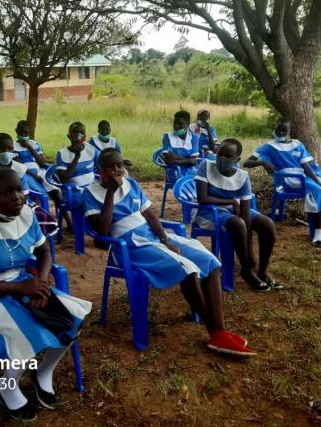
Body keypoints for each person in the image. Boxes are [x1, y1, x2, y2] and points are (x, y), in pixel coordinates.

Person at [83, 148, 255, 356]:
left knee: (209, 261)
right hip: (130, 246)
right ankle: (215, 333)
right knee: (188, 269)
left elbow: (150, 215)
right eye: (109, 167)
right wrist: (110, 191)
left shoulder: (132, 184)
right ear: (100, 170)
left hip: (152, 235)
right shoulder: (90, 193)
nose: (116, 170)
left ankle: (220, 328)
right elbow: (102, 230)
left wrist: (165, 239)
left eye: (119, 165)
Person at [0, 167, 91, 422]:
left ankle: (43, 372)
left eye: (18, 189)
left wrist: (40, 282)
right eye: (6, 193)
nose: (17, 197)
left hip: (24, 284)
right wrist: (19, 288)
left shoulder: (27, 215)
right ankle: (8, 384)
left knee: (71, 320)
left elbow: (44, 253)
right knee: (30, 332)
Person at [195, 139, 282, 291]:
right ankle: (246, 271)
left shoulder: (242, 177)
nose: (222, 158)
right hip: (209, 212)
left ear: (237, 159)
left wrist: (249, 248)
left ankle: (262, 272)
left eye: (228, 156)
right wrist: (232, 202)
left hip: (231, 210)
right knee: (238, 223)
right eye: (220, 153)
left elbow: (246, 212)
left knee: (267, 224)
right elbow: (202, 199)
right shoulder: (206, 166)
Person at [244, 117, 321, 246]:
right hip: (287, 179)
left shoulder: (298, 144)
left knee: (317, 188)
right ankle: (318, 232)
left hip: (303, 176)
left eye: (284, 130)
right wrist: (263, 162)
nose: (280, 133)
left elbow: (306, 167)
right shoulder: (269, 147)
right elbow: (247, 162)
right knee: (318, 190)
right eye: (278, 129)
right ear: (274, 129)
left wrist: (316, 180)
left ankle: (318, 226)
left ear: (289, 131)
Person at [0, 132, 57, 238]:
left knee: (41, 218)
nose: (6, 152)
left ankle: (37, 242)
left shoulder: (19, 168)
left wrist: (14, 204)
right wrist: (2, 203)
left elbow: (25, 194)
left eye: (9, 148)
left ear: (13, 149)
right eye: (2, 149)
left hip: (17, 203)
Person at [13, 120, 63, 208]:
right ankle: (41, 213)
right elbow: (20, 166)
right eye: (21, 133)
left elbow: (42, 163)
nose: (24, 136)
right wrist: (35, 176)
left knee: (55, 191)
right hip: (26, 174)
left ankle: (64, 217)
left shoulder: (34, 144)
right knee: (37, 194)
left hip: (40, 171)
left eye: (26, 134)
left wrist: (29, 147)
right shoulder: (13, 146)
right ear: (16, 132)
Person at [55, 122, 99, 208]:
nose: (77, 136)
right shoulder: (62, 154)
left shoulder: (91, 149)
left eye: (81, 133)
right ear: (69, 136)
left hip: (92, 187)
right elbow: (64, 179)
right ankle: (80, 221)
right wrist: (77, 156)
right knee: (87, 201)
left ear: (85, 136)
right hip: (73, 191)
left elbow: (103, 163)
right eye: (74, 133)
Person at [161, 111, 200, 183]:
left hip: (191, 170)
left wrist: (176, 158)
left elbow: (195, 161)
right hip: (174, 171)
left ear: (187, 125)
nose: (176, 126)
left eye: (180, 123)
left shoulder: (194, 137)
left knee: (201, 179)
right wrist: (188, 160)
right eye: (175, 122)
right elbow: (168, 160)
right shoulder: (167, 137)